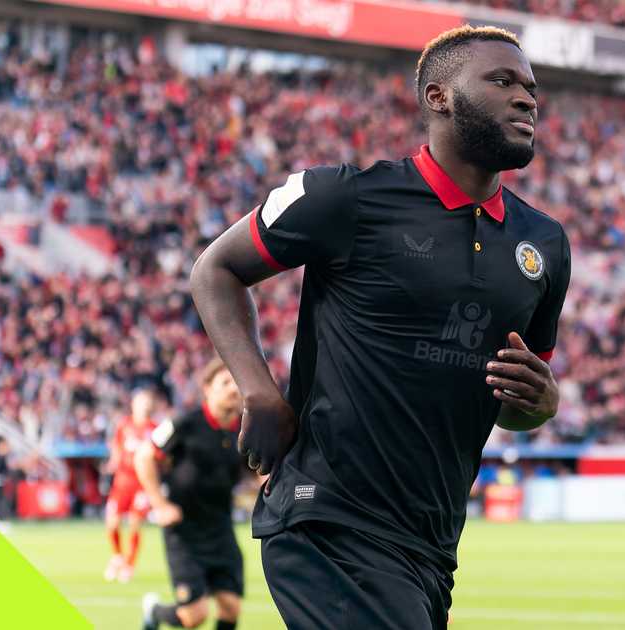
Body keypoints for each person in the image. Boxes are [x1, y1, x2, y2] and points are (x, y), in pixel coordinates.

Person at [189, 25, 569, 629]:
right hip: (329, 519)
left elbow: (514, 401)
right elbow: (216, 268)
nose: (527, 98)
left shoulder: (543, 244)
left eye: (530, 86)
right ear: (438, 97)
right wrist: (259, 389)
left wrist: (542, 403)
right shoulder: (345, 197)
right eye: (502, 81)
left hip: (430, 540)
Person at [137, 359, 246, 630]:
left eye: (237, 382)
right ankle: (154, 612)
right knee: (194, 617)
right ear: (207, 388)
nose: (233, 389)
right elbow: (143, 456)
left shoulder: (246, 430)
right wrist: (159, 504)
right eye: (225, 382)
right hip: (184, 530)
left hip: (221, 528)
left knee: (231, 607)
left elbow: (254, 470)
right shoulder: (185, 423)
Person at [103, 389, 158, 583]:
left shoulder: (154, 428)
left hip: (142, 484)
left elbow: (159, 455)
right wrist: (112, 464)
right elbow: (117, 449)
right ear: (134, 404)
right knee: (112, 522)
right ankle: (117, 556)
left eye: (147, 402)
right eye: (141, 402)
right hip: (121, 483)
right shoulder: (124, 425)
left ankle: (129, 565)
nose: (144, 405)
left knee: (135, 523)